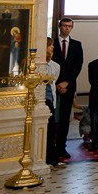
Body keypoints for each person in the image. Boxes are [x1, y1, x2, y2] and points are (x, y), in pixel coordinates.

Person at [51, 18, 84, 161]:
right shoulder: (51, 43)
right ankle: (49, 146)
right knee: (52, 118)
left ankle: (61, 147)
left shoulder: (77, 45)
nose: (67, 28)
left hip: (68, 86)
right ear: (59, 27)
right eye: (64, 25)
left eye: (69, 26)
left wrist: (67, 82)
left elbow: (78, 66)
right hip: (52, 85)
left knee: (64, 118)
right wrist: (57, 83)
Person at [40, 39, 64, 168]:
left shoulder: (56, 66)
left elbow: (53, 85)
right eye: (50, 45)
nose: (52, 47)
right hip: (40, 101)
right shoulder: (37, 65)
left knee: (51, 131)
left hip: (51, 101)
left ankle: (51, 159)